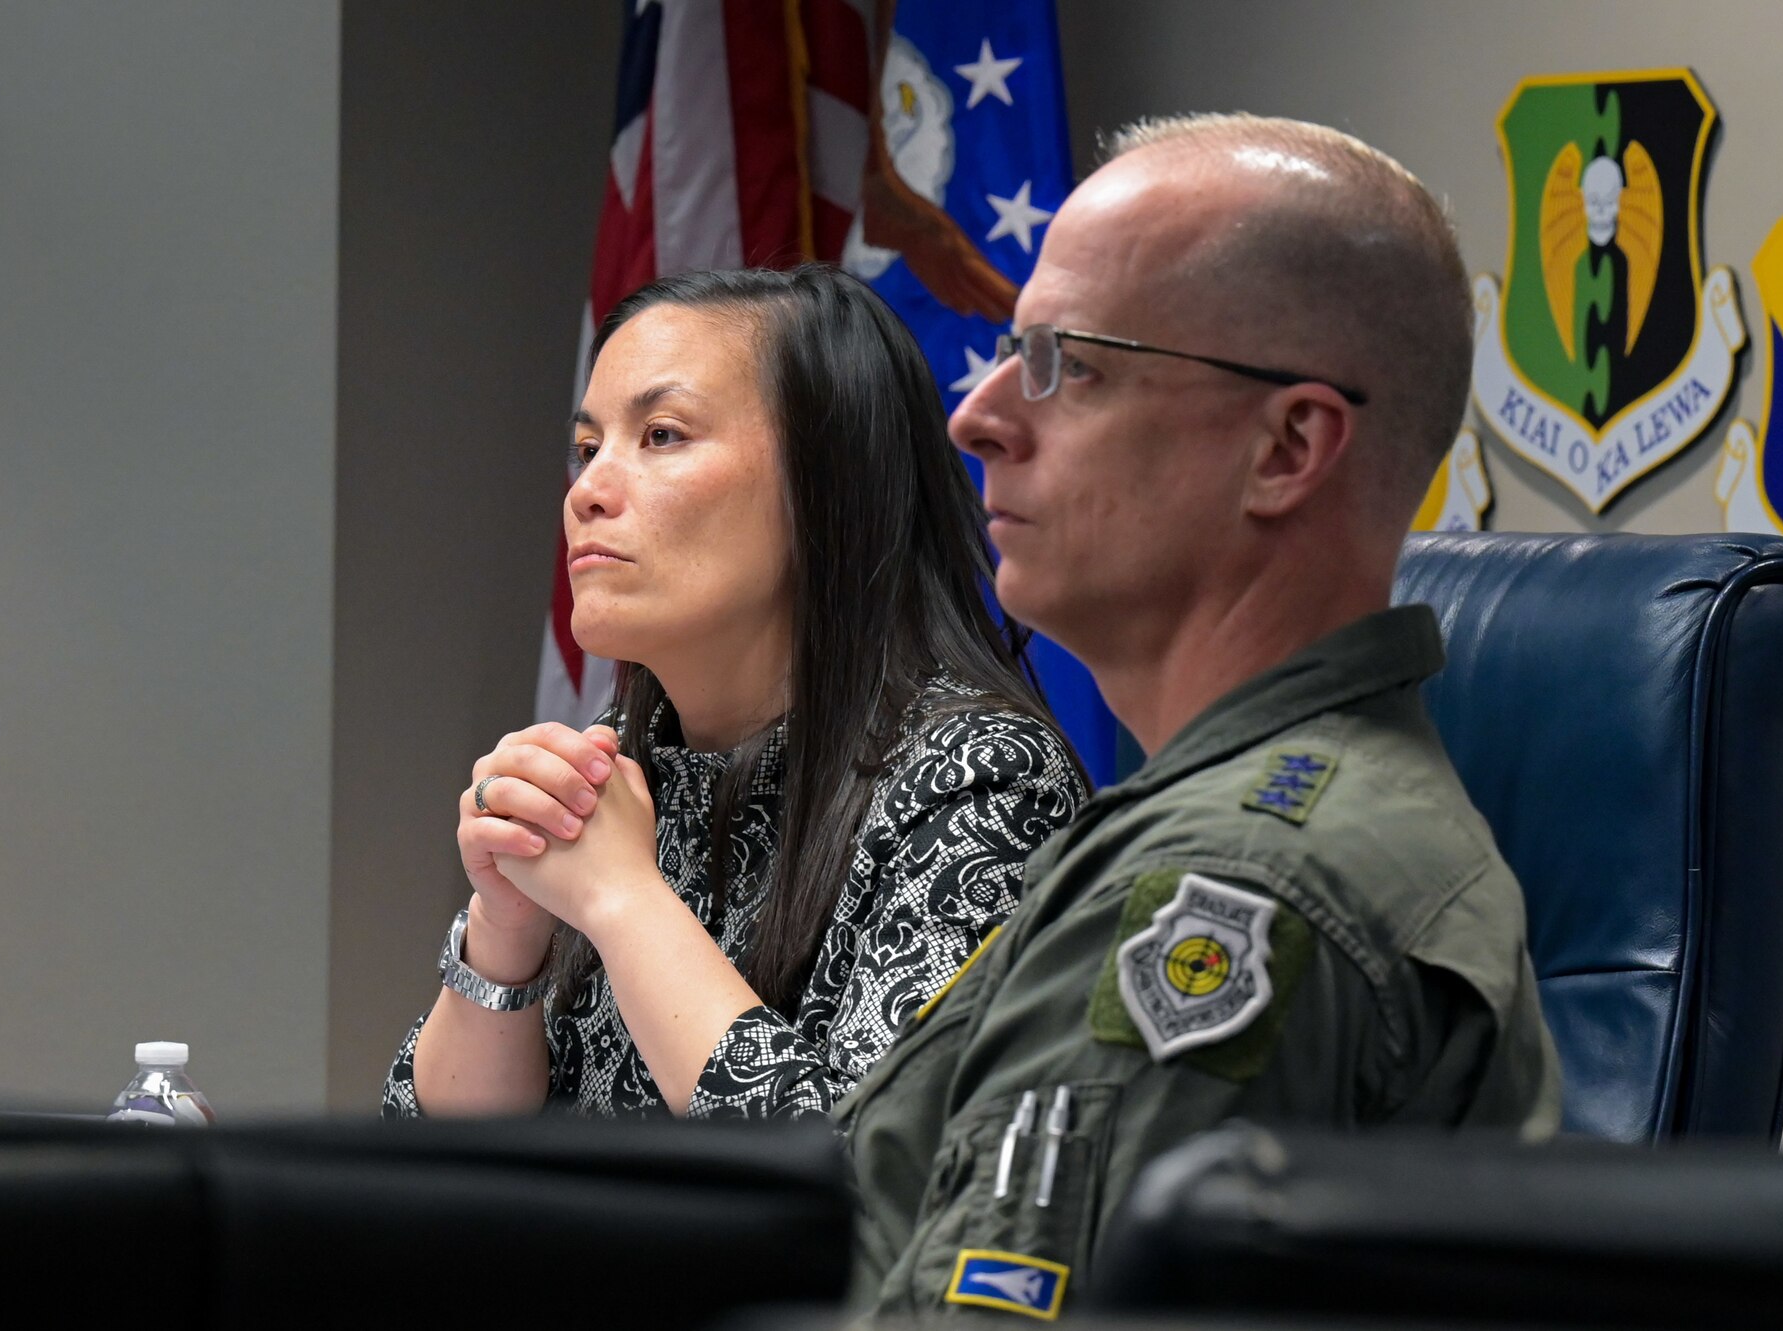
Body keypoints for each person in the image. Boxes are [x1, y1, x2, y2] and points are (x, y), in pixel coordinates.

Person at [837, 114, 1560, 1318]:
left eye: (1069, 362)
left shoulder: (1231, 885)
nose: (976, 415)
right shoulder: (1224, 819)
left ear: (1286, 448)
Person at [382, 265, 1086, 1121]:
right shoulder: (622, 760)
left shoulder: (985, 779)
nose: (589, 491)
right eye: (586, 448)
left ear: (825, 484)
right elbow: (439, 1182)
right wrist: (505, 936)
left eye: (664, 435)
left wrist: (622, 900)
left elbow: (874, 1186)